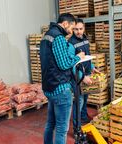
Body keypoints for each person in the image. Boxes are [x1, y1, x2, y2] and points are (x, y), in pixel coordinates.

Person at [40, 13, 85, 144]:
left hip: (49, 86)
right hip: (59, 88)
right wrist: (78, 58)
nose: (72, 32)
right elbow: (64, 64)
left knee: (50, 124)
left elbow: (53, 61)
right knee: (61, 129)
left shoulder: (46, 36)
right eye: (72, 27)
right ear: (65, 24)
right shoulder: (58, 37)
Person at [68, 18, 100, 134]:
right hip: (77, 77)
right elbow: (71, 64)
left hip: (86, 74)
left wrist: (92, 67)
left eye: (80, 29)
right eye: (76, 29)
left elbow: (87, 56)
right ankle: (77, 128)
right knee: (79, 101)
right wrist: (82, 77)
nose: (78, 32)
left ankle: (83, 118)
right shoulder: (71, 43)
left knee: (85, 98)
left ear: (84, 28)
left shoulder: (85, 39)